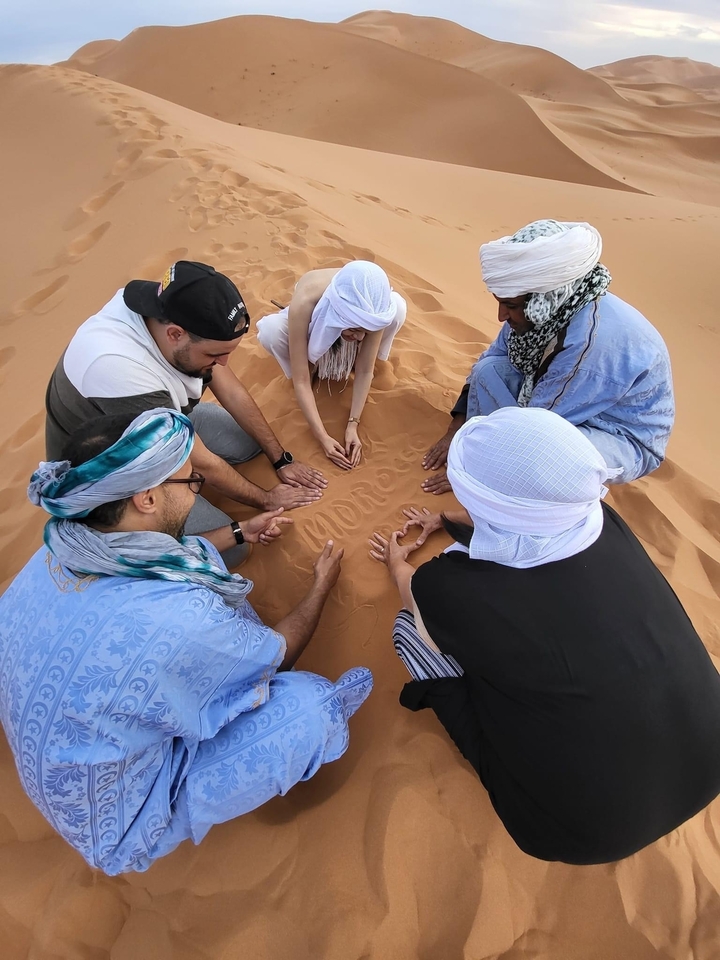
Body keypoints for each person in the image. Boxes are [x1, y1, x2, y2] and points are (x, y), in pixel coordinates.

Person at [0, 409, 372, 875]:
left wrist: (241, 530)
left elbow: (173, 557)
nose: (197, 483)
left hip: (62, 760)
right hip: (116, 822)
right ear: (148, 498)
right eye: (188, 480)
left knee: (200, 573)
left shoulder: (59, 549)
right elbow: (280, 652)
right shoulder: (180, 619)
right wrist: (320, 587)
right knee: (311, 707)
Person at [371, 407, 720, 865]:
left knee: (411, 633)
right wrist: (446, 519)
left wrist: (397, 560)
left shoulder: (447, 585)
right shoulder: (605, 524)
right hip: (709, 758)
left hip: (577, 832)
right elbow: (533, 516)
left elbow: (414, 589)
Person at [46, 260, 327, 565]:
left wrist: (280, 457)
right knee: (234, 550)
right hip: (115, 473)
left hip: (161, 418)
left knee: (248, 444)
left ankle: (188, 487)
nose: (222, 363)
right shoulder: (117, 368)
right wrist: (267, 498)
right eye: (213, 354)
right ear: (175, 335)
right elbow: (203, 463)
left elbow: (229, 388)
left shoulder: (174, 314)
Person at [422, 220, 674, 495]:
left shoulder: (588, 343)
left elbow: (541, 424)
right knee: (488, 370)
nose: (501, 316)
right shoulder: (545, 309)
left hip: (619, 436)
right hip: (561, 399)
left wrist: (475, 472)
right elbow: (495, 354)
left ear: (547, 296)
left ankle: (503, 492)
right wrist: (455, 429)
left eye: (510, 306)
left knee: (544, 453)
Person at [257, 261, 406, 470]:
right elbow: (300, 381)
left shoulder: (373, 307)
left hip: (352, 317)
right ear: (340, 315)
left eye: (367, 331)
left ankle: (355, 358)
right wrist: (323, 438)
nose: (361, 336)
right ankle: (312, 365)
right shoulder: (306, 302)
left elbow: (364, 371)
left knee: (398, 307)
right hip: (314, 320)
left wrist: (353, 424)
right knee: (271, 332)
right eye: (356, 328)